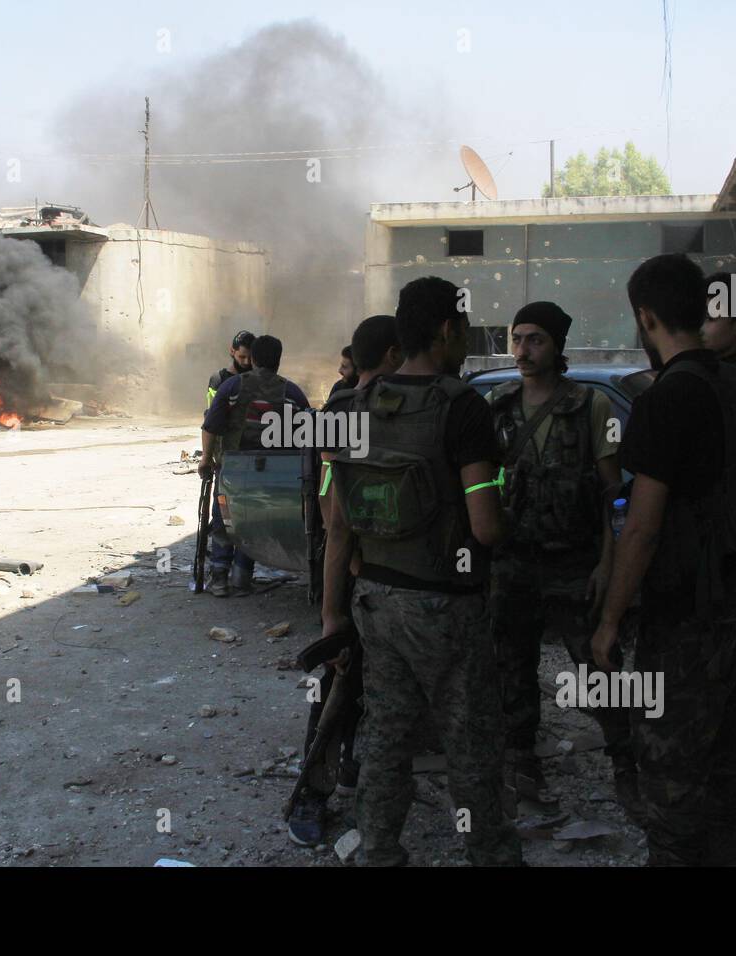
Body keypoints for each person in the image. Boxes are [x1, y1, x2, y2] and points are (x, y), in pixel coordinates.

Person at [590, 254, 736, 866]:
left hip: (684, 623)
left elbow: (641, 527)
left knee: (670, 782)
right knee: (728, 763)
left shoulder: (663, 399)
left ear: (645, 317)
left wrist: (610, 621)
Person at [322, 277, 521, 866]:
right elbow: (485, 527)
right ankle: (492, 854)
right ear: (446, 330)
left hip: (373, 598)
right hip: (444, 605)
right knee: (472, 741)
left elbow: (337, 527)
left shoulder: (351, 407)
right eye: (462, 327)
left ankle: (378, 851)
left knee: (386, 734)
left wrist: (332, 615)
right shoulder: (462, 408)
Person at [485, 302, 632, 812]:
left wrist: (607, 565)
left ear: (558, 346)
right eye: (517, 338)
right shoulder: (499, 407)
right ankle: (520, 762)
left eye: (535, 340)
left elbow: (615, 495)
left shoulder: (592, 407)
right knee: (511, 667)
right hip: (513, 562)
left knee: (597, 666)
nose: (523, 350)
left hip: (574, 562)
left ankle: (627, 763)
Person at [287, 315, 403, 846]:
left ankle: (357, 772)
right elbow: (332, 508)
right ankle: (313, 792)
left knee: (382, 693)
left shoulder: (409, 412)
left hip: (392, 581)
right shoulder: (339, 414)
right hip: (350, 572)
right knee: (334, 687)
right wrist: (334, 605)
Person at [199, 334, 309, 597]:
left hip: (235, 468)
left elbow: (211, 425)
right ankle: (242, 577)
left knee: (224, 522)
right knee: (256, 522)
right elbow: (309, 433)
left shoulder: (233, 387)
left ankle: (219, 580)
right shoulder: (291, 392)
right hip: (280, 471)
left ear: (255, 359)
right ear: (279, 361)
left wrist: (205, 459)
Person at [206, 330, 254, 409]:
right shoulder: (219, 379)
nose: (247, 362)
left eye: (250, 357)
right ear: (232, 351)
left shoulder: (262, 378)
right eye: (242, 357)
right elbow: (211, 414)